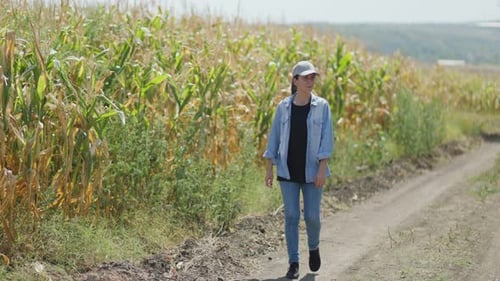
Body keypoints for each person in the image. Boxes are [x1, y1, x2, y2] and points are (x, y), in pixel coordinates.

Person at [263, 60, 334, 279]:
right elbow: (273, 138)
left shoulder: (322, 106)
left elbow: (326, 139)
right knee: (291, 216)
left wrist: (322, 168)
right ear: (295, 81)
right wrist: (269, 168)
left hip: (313, 171)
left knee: (312, 217)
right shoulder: (283, 107)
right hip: (287, 171)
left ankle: (314, 247)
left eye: (313, 77)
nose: (310, 81)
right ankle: (293, 263)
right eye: (306, 77)